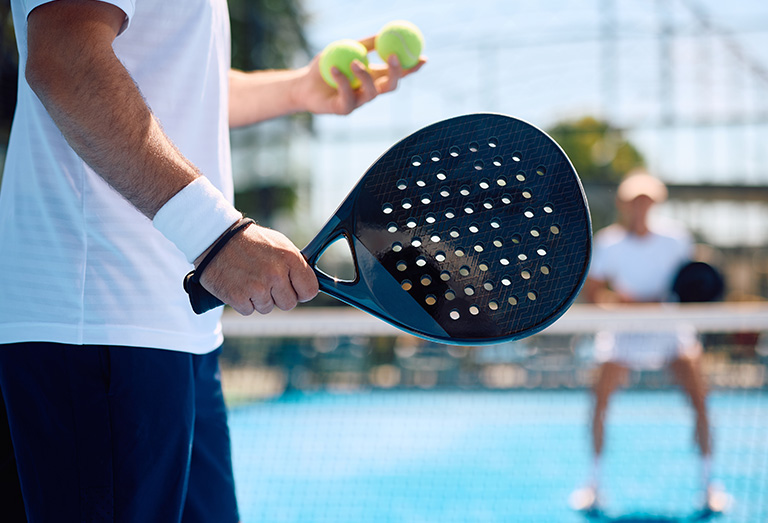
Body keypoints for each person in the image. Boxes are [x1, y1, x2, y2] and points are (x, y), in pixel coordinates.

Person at [0, 1, 425, 521]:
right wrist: (217, 237)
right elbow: (65, 57)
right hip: (100, 320)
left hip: (178, 327)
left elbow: (172, 91)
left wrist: (297, 88)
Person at [571, 170, 728, 514]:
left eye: (647, 201)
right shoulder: (609, 243)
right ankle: (593, 485)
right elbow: (594, 294)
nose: (640, 207)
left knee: (701, 402)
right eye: (633, 201)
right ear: (623, 204)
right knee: (598, 405)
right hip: (623, 334)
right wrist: (627, 304)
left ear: (655, 203)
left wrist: (650, 303)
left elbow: (691, 287)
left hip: (670, 333)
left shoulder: (676, 240)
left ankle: (708, 485)